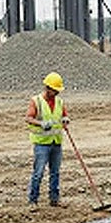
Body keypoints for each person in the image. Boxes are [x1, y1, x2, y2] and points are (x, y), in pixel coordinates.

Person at [26, 72, 69, 207]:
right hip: (42, 144)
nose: (57, 93)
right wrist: (41, 124)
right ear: (48, 88)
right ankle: (33, 200)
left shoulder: (59, 102)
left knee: (55, 172)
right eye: (55, 90)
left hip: (56, 142)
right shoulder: (36, 101)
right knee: (38, 173)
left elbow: (63, 115)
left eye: (58, 91)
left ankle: (54, 199)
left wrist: (65, 120)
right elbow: (28, 118)